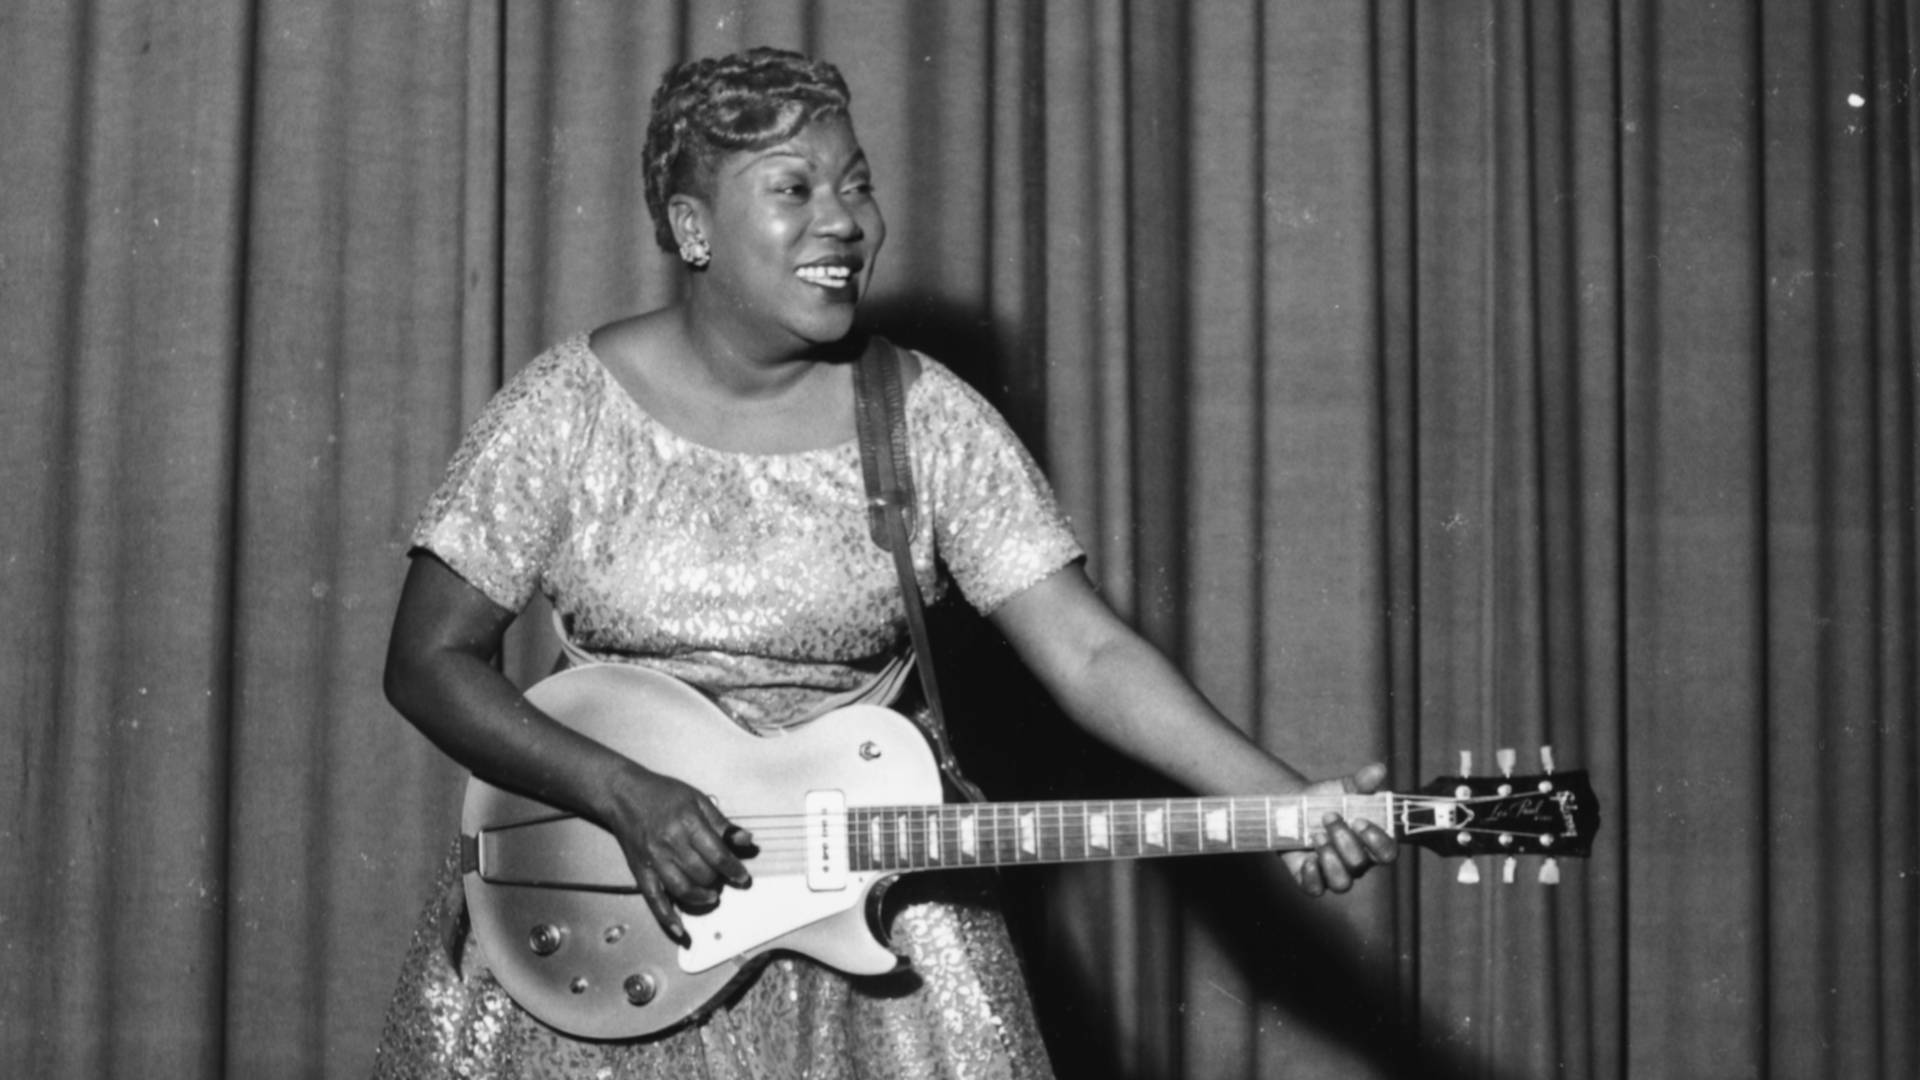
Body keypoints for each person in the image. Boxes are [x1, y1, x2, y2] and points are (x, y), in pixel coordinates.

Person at [371, 46, 1395, 1080]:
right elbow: (427, 659)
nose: (844, 221)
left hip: (872, 927)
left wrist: (1282, 800)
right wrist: (620, 790)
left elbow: (1088, 653)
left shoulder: (923, 417)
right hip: (614, 917)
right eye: (794, 189)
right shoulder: (567, 408)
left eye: (857, 183)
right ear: (693, 230)